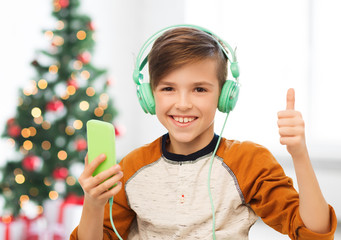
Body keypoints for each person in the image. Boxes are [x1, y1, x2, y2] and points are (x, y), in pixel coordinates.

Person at [70, 26, 337, 240]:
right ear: (149, 97)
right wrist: (93, 203)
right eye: (168, 88)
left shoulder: (249, 162)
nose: (183, 103)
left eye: (200, 89)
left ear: (224, 96)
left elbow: (313, 233)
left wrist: (299, 154)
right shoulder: (132, 166)